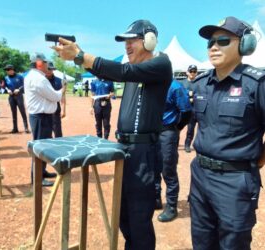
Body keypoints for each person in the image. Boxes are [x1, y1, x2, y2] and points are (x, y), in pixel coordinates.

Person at [53, 19, 172, 249]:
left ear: (149, 41)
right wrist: (79, 59)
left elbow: (121, 70)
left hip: (143, 152)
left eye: (132, 40)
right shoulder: (135, 71)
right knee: (123, 214)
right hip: (125, 150)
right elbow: (114, 72)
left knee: (139, 218)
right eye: (124, 42)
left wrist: (80, 56)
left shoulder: (161, 64)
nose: (127, 46)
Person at [189, 16, 264, 249]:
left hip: (235, 181)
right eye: (210, 42)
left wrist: (256, 161)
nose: (213, 47)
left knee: (233, 244)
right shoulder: (201, 83)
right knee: (201, 241)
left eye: (223, 41)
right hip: (200, 176)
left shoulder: (256, 83)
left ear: (244, 44)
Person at [24, 52, 66, 187]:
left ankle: (41, 172)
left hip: (40, 117)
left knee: (42, 146)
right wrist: (63, 89)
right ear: (39, 63)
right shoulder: (39, 79)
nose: (48, 65)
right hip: (41, 117)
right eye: (46, 62)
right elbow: (55, 97)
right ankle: (37, 177)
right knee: (40, 148)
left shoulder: (34, 76)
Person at [154, 79, 191, 222]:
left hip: (167, 132)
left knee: (167, 169)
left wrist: (176, 128)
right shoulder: (152, 83)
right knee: (153, 167)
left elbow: (186, 111)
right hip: (151, 132)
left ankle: (171, 206)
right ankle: (155, 198)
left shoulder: (175, 87)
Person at [2, 64, 29, 134]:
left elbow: (24, 85)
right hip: (11, 96)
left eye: (9, 70)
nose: (8, 72)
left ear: (12, 70)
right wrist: (7, 90)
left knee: (22, 111)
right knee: (13, 112)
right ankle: (15, 128)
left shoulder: (20, 77)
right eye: (6, 70)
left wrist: (19, 89)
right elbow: (4, 86)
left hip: (19, 96)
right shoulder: (6, 78)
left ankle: (26, 128)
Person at [45, 61, 66, 138]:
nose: (49, 71)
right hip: (44, 109)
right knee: (46, 133)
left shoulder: (59, 81)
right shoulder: (41, 81)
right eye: (47, 69)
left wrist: (64, 110)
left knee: (58, 132)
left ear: (53, 70)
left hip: (55, 109)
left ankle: (60, 148)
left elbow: (63, 96)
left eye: (51, 69)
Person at [180, 64, 198, 153]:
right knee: (178, 128)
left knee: (190, 130)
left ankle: (187, 145)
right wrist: (188, 94)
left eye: (194, 71)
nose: (192, 73)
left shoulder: (198, 83)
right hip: (183, 110)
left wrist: (192, 96)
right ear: (187, 72)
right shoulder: (182, 83)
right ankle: (174, 144)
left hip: (193, 110)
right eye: (191, 71)